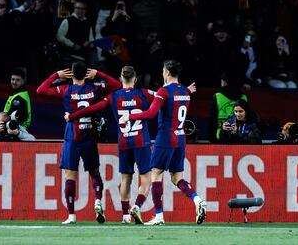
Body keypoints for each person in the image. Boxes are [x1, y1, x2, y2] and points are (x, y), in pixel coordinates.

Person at [64, 66, 154, 224]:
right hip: (141, 142)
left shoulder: (113, 96)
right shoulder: (144, 94)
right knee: (146, 177)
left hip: (124, 142)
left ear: (120, 79)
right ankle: (137, 206)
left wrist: (72, 116)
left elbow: (92, 108)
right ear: (135, 79)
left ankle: (125, 215)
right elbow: (163, 99)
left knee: (126, 179)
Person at [121, 60, 207, 225]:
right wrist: (186, 90)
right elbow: (179, 97)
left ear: (167, 72)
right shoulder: (185, 91)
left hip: (165, 138)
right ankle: (198, 201)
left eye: (163, 71)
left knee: (156, 174)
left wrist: (129, 116)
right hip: (180, 138)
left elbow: (150, 113)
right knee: (177, 178)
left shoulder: (164, 91)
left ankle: (159, 216)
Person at [36, 61, 120, 224]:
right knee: (94, 173)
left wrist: (56, 76)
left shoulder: (65, 90)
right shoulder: (94, 88)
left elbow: (41, 90)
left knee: (70, 175)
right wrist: (99, 74)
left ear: (72, 74)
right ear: (86, 74)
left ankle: (72, 215)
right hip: (89, 137)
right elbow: (116, 85)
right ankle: (97, 201)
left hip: (72, 138)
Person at [208, 72, 248, 143]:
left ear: (224, 82)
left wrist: (212, 138)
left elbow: (212, 119)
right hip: (239, 138)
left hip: (219, 138)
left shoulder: (217, 96)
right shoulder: (244, 97)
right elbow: (247, 119)